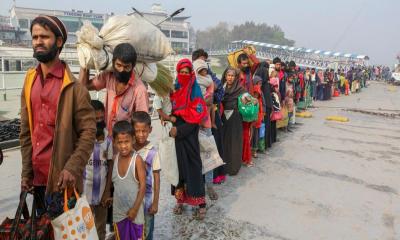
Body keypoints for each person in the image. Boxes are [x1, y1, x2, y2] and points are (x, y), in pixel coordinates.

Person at [20, 15, 96, 211]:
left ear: (59, 41)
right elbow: (26, 132)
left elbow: (88, 132)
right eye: (35, 37)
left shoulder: (74, 88)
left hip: (63, 181)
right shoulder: (30, 81)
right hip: (37, 181)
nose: (38, 42)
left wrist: (73, 167)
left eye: (44, 37)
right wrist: (26, 173)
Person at [80, 43, 149, 135]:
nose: (121, 70)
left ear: (133, 66)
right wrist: (85, 63)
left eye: (126, 67)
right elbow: (83, 86)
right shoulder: (108, 76)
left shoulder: (139, 89)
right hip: (107, 139)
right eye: (118, 65)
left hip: (124, 144)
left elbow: (142, 123)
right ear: (113, 63)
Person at [169, 59, 208, 220]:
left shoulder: (195, 90)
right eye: (181, 72)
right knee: (177, 169)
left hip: (189, 135)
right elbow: (169, 109)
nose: (184, 75)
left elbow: (197, 115)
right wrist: (169, 117)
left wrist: (179, 129)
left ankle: (200, 203)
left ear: (191, 73)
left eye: (187, 72)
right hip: (175, 137)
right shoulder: (174, 88)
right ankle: (180, 200)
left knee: (194, 168)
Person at [191, 49, 225, 185]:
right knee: (195, 152)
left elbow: (218, 91)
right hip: (192, 120)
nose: (203, 64)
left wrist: (209, 99)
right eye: (201, 60)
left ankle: (209, 182)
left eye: (205, 61)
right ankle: (197, 181)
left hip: (208, 118)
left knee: (208, 150)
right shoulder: (188, 77)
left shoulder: (210, 77)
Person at [83, 100, 113, 240]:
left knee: (100, 227)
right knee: (85, 228)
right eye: (96, 119)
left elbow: (111, 164)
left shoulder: (108, 140)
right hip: (84, 193)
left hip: (102, 193)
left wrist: (107, 191)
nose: (99, 121)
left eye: (101, 118)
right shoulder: (82, 138)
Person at [112, 121, 146, 240]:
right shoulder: (115, 159)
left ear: (133, 139)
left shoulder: (137, 160)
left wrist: (135, 209)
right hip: (119, 214)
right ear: (114, 142)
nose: (123, 146)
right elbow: (113, 183)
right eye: (119, 142)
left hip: (135, 215)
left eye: (126, 141)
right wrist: (107, 194)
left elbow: (143, 187)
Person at [131, 111, 161, 240]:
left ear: (150, 129)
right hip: (130, 201)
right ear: (132, 130)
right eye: (137, 131)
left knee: (147, 232)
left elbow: (157, 178)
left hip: (147, 202)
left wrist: (155, 202)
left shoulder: (153, 152)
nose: (141, 134)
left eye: (144, 131)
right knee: (133, 232)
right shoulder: (129, 149)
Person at [221, 67, 246, 175]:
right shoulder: (221, 87)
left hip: (235, 118)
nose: (230, 78)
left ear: (235, 77)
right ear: (225, 76)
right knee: (224, 141)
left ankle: (233, 167)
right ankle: (224, 166)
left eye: (232, 75)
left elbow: (248, 101)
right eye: (228, 75)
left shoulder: (241, 89)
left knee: (234, 142)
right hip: (223, 117)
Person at [251, 76, 265, 157]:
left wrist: (262, 114)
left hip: (258, 119)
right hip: (252, 118)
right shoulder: (252, 96)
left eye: (260, 84)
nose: (259, 85)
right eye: (258, 83)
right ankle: (251, 150)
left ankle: (254, 150)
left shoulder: (260, 97)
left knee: (256, 135)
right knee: (252, 135)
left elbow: (262, 106)